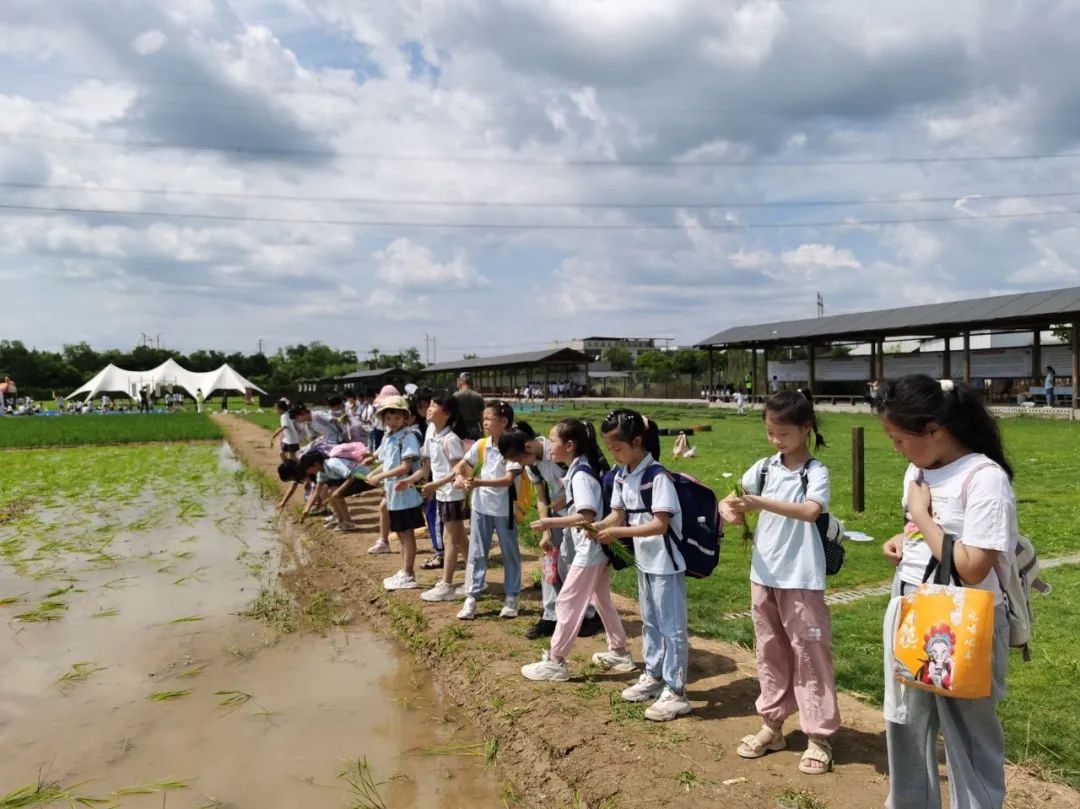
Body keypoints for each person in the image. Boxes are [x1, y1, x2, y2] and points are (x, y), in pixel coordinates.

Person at [877, 375, 1017, 809]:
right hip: (912, 607)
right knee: (905, 723)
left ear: (935, 431)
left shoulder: (985, 478)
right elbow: (924, 532)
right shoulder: (918, 469)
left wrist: (921, 515)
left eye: (900, 439)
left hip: (965, 622)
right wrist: (905, 537)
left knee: (969, 734)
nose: (897, 448)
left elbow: (975, 567)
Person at [722, 390, 840, 775]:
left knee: (810, 653)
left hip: (801, 576)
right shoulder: (763, 468)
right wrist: (731, 509)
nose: (776, 440)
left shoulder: (815, 472)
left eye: (784, 433)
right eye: (770, 432)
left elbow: (810, 511)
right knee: (770, 651)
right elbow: (731, 499)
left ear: (806, 428)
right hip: (764, 575)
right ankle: (773, 725)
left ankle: (818, 736)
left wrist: (759, 504)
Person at [594, 409, 690, 722]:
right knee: (649, 619)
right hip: (645, 561)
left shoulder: (657, 476)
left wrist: (618, 532)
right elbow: (617, 515)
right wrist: (595, 527)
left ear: (637, 442)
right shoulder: (623, 474)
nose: (614, 455)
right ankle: (653, 675)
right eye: (610, 450)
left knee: (671, 626)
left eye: (618, 448)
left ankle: (676, 691)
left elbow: (660, 524)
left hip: (665, 562)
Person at [520, 418, 633, 681]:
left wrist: (549, 521)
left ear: (569, 445)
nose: (549, 445)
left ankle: (557, 661)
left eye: (554, 440)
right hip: (593, 549)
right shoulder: (577, 469)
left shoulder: (581, 474)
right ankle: (619, 651)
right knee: (601, 600)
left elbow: (585, 516)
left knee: (568, 600)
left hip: (589, 550)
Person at [498, 421, 602, 639]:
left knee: (576, 569)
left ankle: (589, 616)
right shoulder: (533, 464)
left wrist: (558, 504)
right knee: (551, 566)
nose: (519, 465)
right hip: (556, 521)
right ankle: (551, 616)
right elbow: (541, 497)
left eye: (518, 459)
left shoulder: (561, 455)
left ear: (528, 447)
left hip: (579, 520)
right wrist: (546, 529)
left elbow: (581, 487)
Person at [453, 400, 522, 620]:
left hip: (504, 510)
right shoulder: (481, 445)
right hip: (480, 507)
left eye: (488, 419)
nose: (484, 423)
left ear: (504, 421)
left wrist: (478, 483)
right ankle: (471, 597)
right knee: (476, 552)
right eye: (483, 419)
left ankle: (512, 597)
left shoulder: (512, 446)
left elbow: (508, 480)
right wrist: (460, 477)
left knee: (509, 553)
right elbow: (462, 465)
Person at [363, 395, 426, 590]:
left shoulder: (407, 437)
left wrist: (379, 477)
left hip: (404, 493)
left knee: (406, 534)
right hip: (393, 494)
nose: (393, 421)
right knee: (400, 533)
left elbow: (404, 467)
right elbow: (386, 463)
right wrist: (372, 473)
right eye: (389, 418)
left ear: (405, 418)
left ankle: (408, 573)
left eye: (397, 417)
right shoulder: (389, 436)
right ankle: (404, 571)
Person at [418, 395, 470, 602]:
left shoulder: (450, 439)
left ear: (446, 414)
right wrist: (432, 485)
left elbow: (460, 471)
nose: (429, 409)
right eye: (429, 404)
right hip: (444, 493)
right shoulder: (434, 436)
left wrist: (435, 484)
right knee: (460, 539)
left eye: (434, 406)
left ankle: (446, 584)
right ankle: (475, 578)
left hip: (453, 495)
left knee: (450, 541)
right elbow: (435, 469)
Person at [454, 372, 485, 441]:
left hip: (459, 428)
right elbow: (482, 417)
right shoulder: (478, 396)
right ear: (471, 382)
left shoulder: (455, 396)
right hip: (474, 428)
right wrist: (483, 431)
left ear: (460, 382)